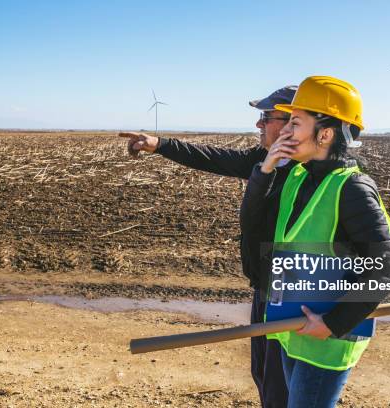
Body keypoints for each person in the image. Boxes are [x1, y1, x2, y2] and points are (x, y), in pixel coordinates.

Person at [119, 86, 297, 408]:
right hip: (265, 286)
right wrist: (160, 145)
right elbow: (215, 158)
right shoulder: (266, 160)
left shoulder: (314, 174)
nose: (259, 124)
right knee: (264, 377)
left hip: (291, 294)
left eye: (266, 117)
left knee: (284, 387)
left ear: (293, 122)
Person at [240, 76, 390, 407]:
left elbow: (385, 270)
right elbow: (253, 225)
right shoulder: (299, 177)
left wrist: (332, 324)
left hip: (325, 342)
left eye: (295, 123)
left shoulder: (352, 189)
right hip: (294, 331)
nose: (286, 131)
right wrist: (265, 169)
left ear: (325, 134)